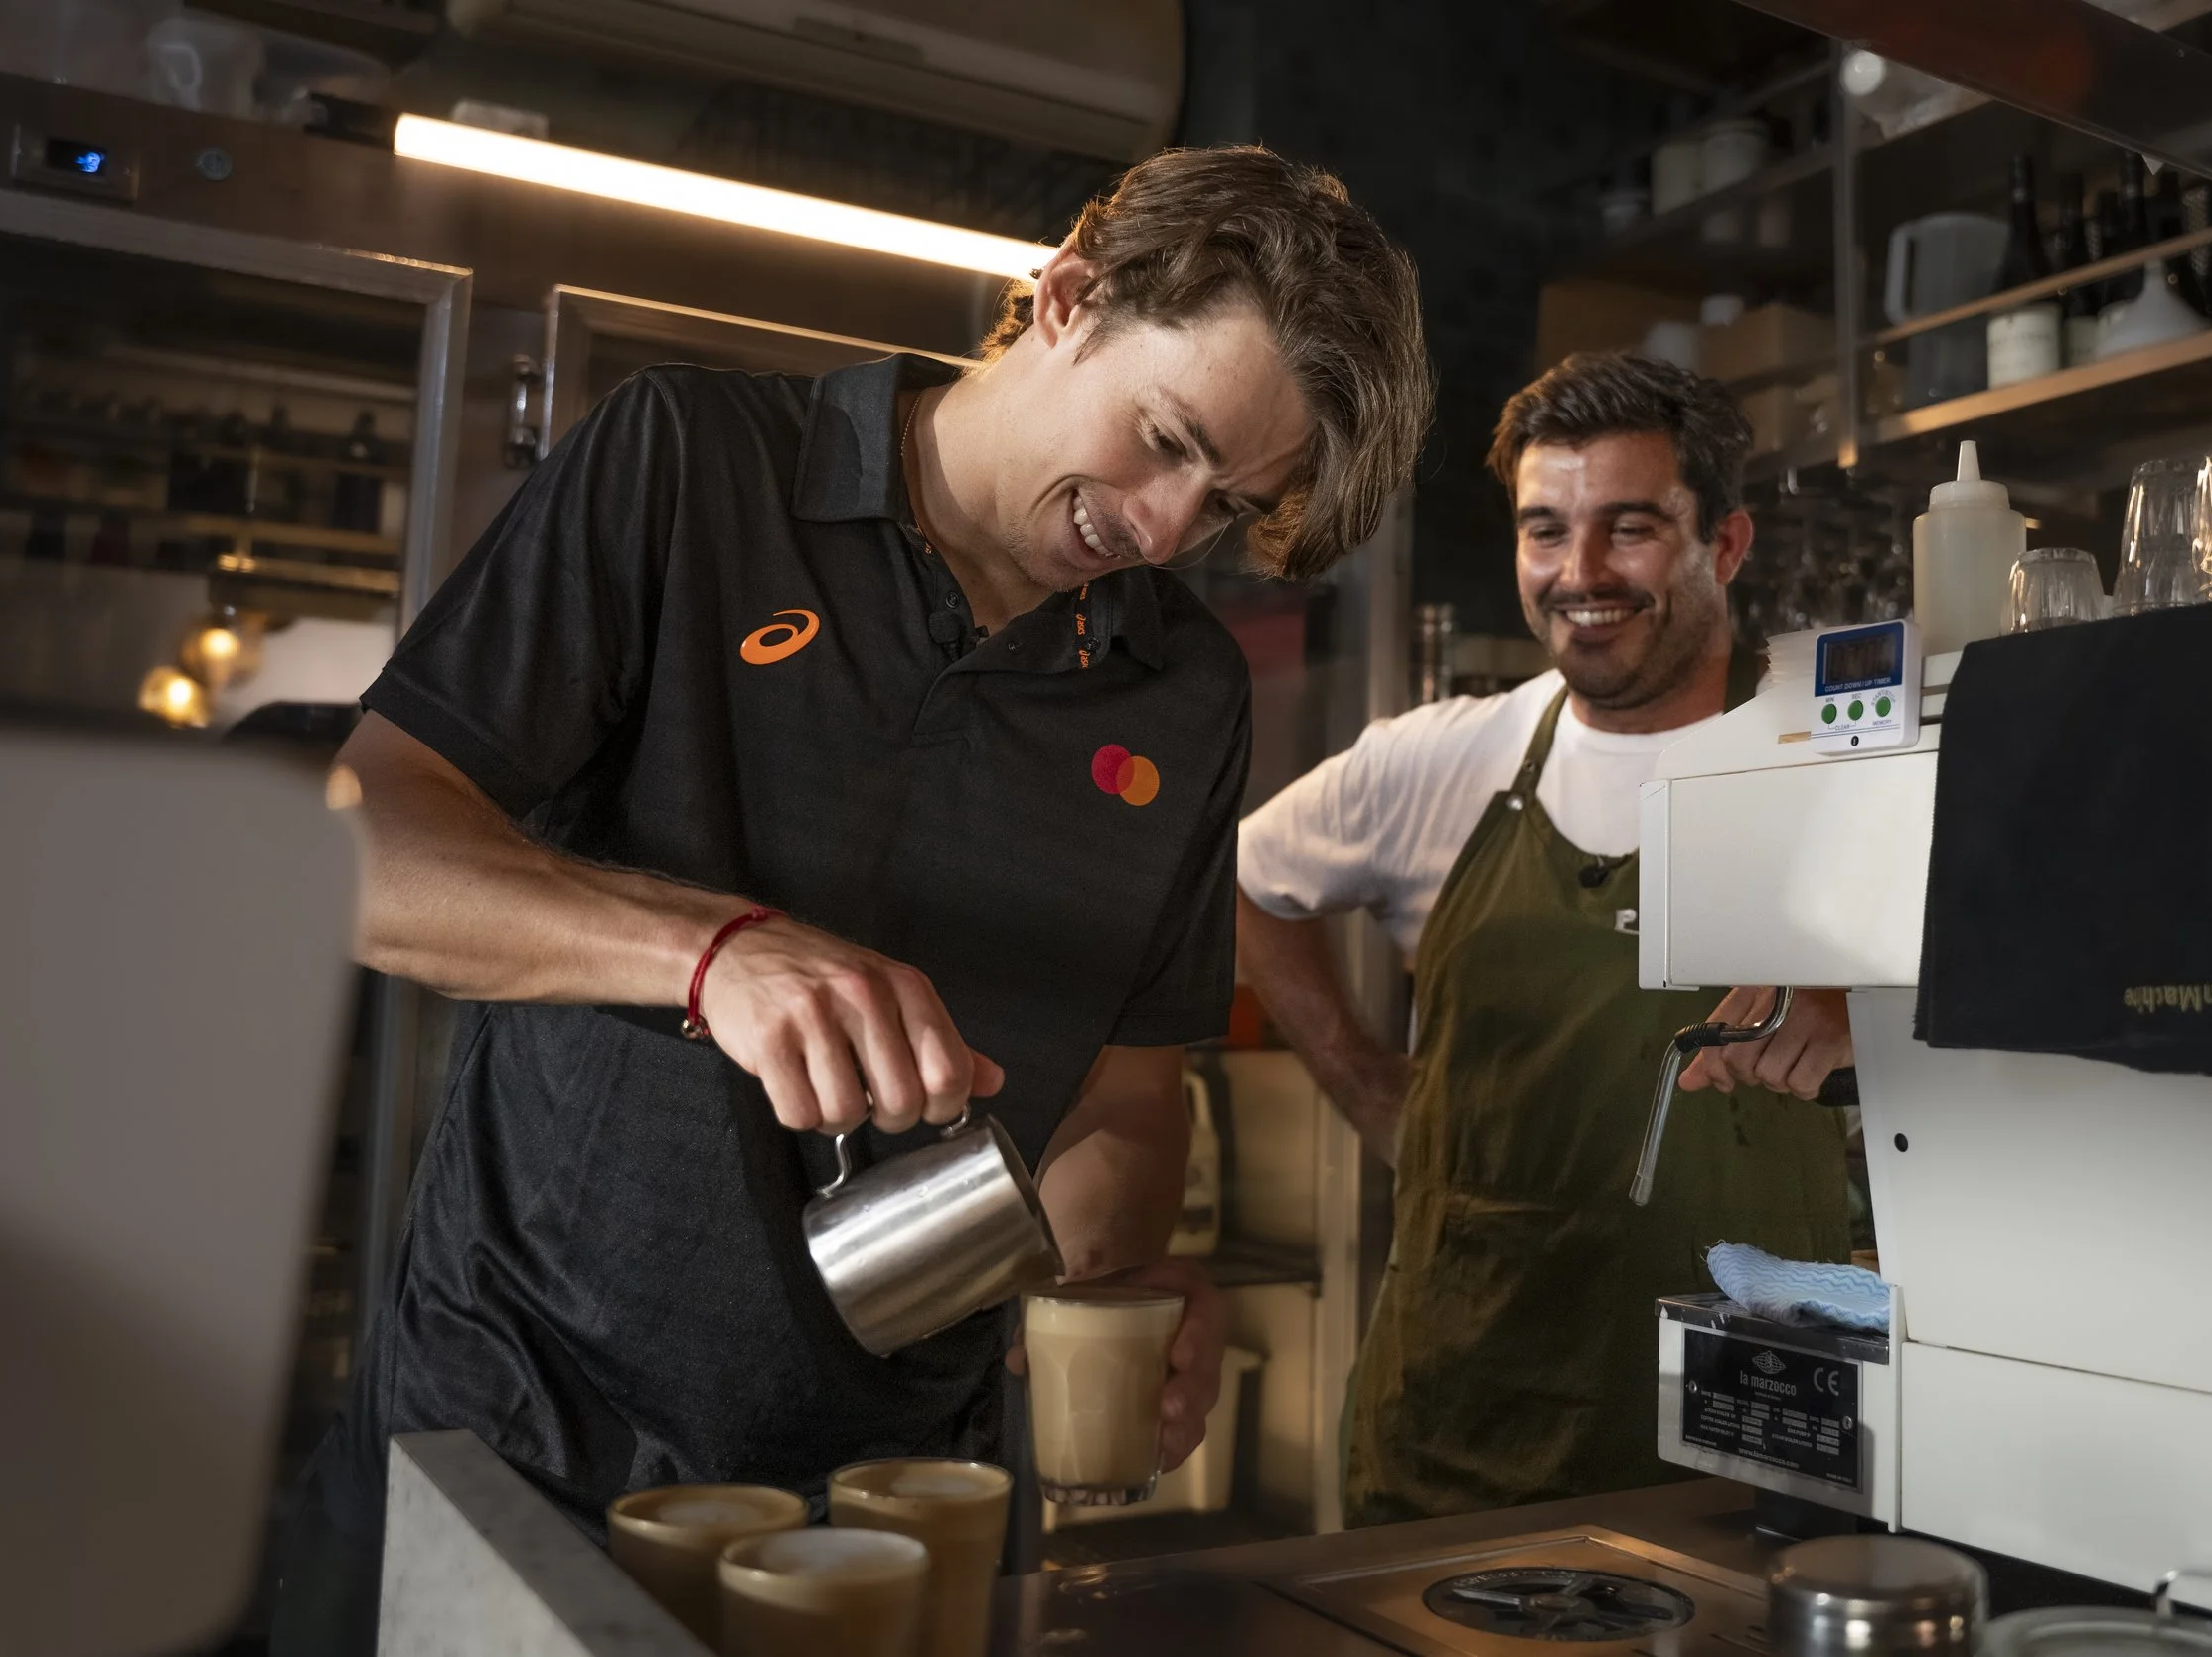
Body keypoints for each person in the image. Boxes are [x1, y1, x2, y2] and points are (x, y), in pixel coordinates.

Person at [272, 145, 1431, 1652]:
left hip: (903, 1507)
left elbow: (1133, 1109)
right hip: (528, 1441)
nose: (1162, 528)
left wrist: (1117, 1275)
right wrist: (717, 951)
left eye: (1227, 503)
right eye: (1164, 439)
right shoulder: (693, 463)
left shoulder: (1183, 689)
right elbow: (368, 852)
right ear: (1070, 297)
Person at [1235, 350, 1853, 1525]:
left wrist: (1856, 1012)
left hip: (1742, 1446)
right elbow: (1247, 883)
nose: (1580, 574)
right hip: (1456, 1438)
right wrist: (1367, 1081)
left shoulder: (1824, 753)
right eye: (1543, 530)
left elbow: (2002, 987)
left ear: (1722, 546)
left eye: (1628, 528)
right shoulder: (1443, 757)